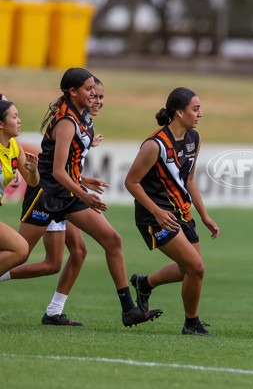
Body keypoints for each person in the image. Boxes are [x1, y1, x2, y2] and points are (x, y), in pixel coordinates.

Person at [15, 67, 162, 328]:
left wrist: (83, 180)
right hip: (46, 195)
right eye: (89, 89)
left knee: (110, 241)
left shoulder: (83, 117)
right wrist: (85, 193)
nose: (94, 95)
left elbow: (66, 166)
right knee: (19, 253)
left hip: (68, 193)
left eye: (95, 89)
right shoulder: (66, 122)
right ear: (73, 92)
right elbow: (56, 171)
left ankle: (128, 309)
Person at [125, 87, 219, 336]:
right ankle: (191, 323)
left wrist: (204, 216)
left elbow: (189, 180)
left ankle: (144, 283)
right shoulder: (154, 145)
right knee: (196, 268)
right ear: (179, 112)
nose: (200, 114)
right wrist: (156, 211)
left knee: (187, 269)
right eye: (195, 109)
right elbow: (131, 182)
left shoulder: (194, 139)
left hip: (182, 213)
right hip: (156, 216)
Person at [0, 96, 39, 276]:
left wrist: (32, 170)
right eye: (14, 117)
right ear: (1, 124)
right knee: (20, 248)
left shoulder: (15, 147)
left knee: (21, 250)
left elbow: (33, 182)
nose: (19, 120)